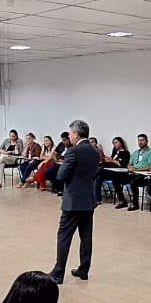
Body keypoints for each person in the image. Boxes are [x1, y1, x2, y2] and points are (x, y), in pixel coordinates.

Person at [49, 119, 97, 283]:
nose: (69, 136)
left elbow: (61, 175)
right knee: (86, 237)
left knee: (64, 236)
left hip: (73, 201)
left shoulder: (73, 151)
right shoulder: (95, 151)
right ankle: (84, 270)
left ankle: (58, 273)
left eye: (70, 133)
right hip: (88, 200)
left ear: (76, 134)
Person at [120, 133, 151, 211]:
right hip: (133, 173)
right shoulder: (136, 152)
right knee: (116, 179)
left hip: (144, 175)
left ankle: (135, 204)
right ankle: (122, 201)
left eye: (142, 140)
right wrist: (130, 167)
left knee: (133, 182)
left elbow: (150, 167)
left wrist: (136, 170)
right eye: (139, 140)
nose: (140, 142)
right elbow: (129, 164)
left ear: (146, 141)